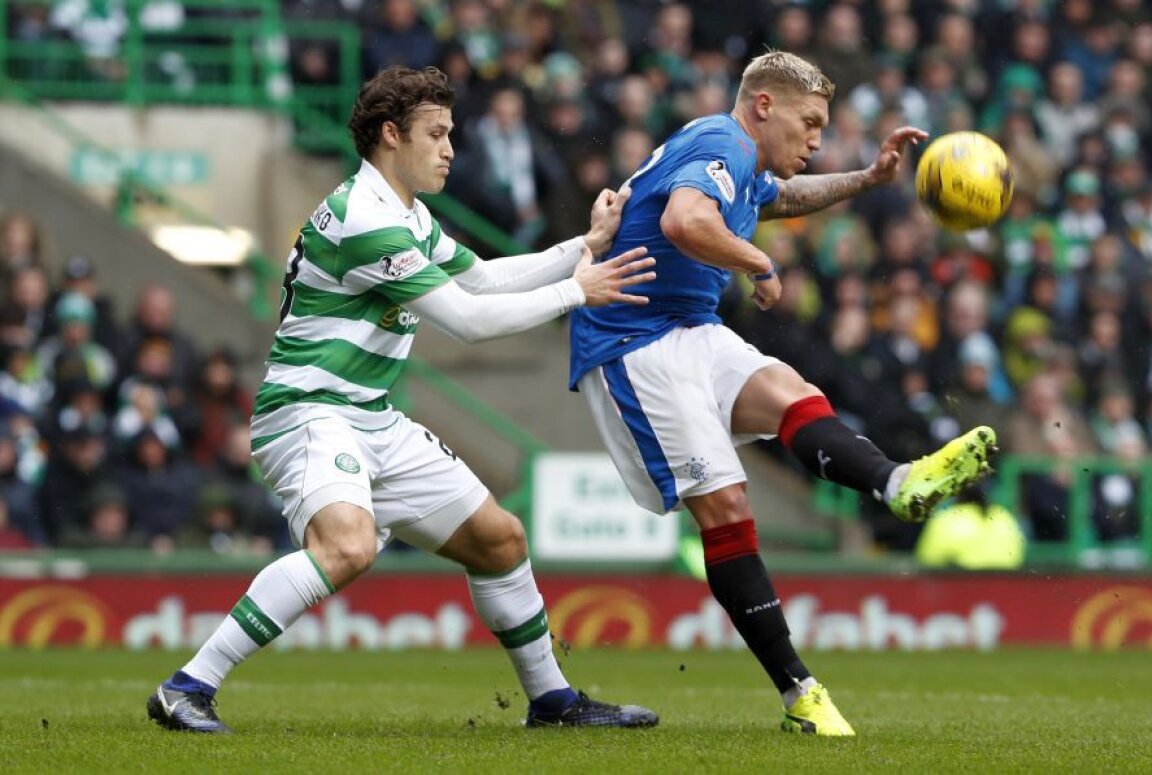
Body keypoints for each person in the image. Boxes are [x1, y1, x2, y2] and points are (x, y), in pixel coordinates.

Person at [147, 65, 658, 734]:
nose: (449, 149)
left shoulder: (406, 214)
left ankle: (553, 701)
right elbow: (467, 320)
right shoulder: (365, 218)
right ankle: (186, 686)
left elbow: (482, 280)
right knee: (348, 546)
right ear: (392, 134)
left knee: (500, 539)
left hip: (370, 415)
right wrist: (576, 292)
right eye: (436, 134)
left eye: (450, 134)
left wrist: (583, 248)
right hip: (310, 410)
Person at [569, 51, 998, 737]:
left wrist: (866, 178)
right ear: (763, 106)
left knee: (793, 393)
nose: (817, 139)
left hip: (688, 326)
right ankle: (800, 689)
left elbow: (781, 198)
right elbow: (684, 222)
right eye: (810, 122)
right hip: (633, 339)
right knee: (728, 507)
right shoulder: (722, 140)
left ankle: (896, 483)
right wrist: (760, 262)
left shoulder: (740, 162)